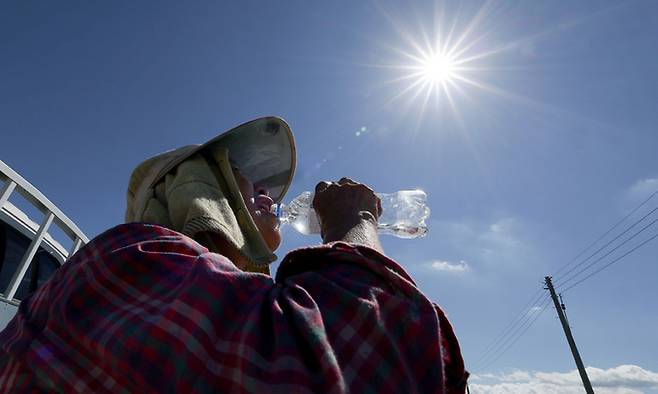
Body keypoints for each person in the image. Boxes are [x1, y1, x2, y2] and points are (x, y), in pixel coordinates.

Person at [0, 117, 468, 393]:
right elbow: (369, 359)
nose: (267, 194)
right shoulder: (129, 260)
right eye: (244, 177)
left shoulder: (217, 294)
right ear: (198, 188)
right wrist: (354, 222)